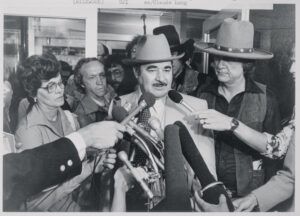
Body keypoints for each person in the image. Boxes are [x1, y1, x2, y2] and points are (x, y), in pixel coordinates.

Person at [112, 34, 215, 211]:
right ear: (137, 73)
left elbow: (208, 177)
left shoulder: (195, 108)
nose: (162, 78)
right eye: (152, 70)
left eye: (167, 69)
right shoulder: (119, 105)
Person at [195, 18, 281, 199]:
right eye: (217, 57)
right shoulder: (203, 95)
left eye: (228, 60)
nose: (219, 65)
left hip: (251, 196)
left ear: (246, 64)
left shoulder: (266, 98)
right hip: (209, 193)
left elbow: (275, 154)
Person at [3, 120, 125, 211]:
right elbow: (31, 206)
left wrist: (88, 168)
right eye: (50, 85)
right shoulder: (28, 130)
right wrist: (87, 136)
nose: (59, 89)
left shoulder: (65, 117)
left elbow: (45, 197)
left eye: (60, 83)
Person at [153, 25, 199, 94]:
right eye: (162, 57)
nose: (168, 62)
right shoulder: (156, 82)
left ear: (180, 54)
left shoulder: (199, 81)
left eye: (172, 54)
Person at [73, 58, 116, 127]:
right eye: (92, 77)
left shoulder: (113, 101)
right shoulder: (82, 115)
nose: (99, 82)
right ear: (81, 83)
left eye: (102, 75)